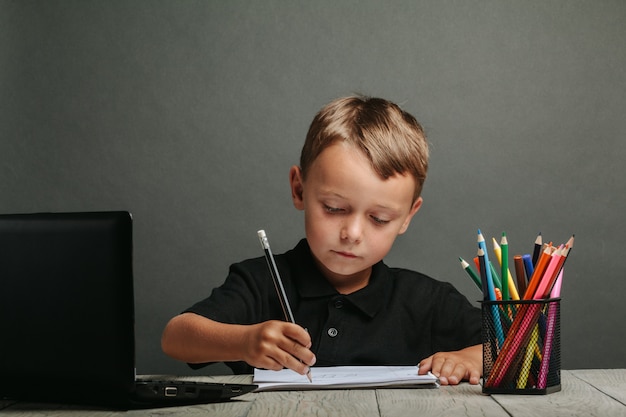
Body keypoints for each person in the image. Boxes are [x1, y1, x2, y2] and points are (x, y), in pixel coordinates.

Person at [161, 95, 482, 385]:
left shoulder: (428, 301)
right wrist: (244, 341)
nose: (352, 234)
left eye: (379, 219)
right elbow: (175, 337)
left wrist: (471, 358)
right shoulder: (261, 282)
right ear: (299, 189)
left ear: (408, 216)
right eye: (334, 208)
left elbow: (519, 346)